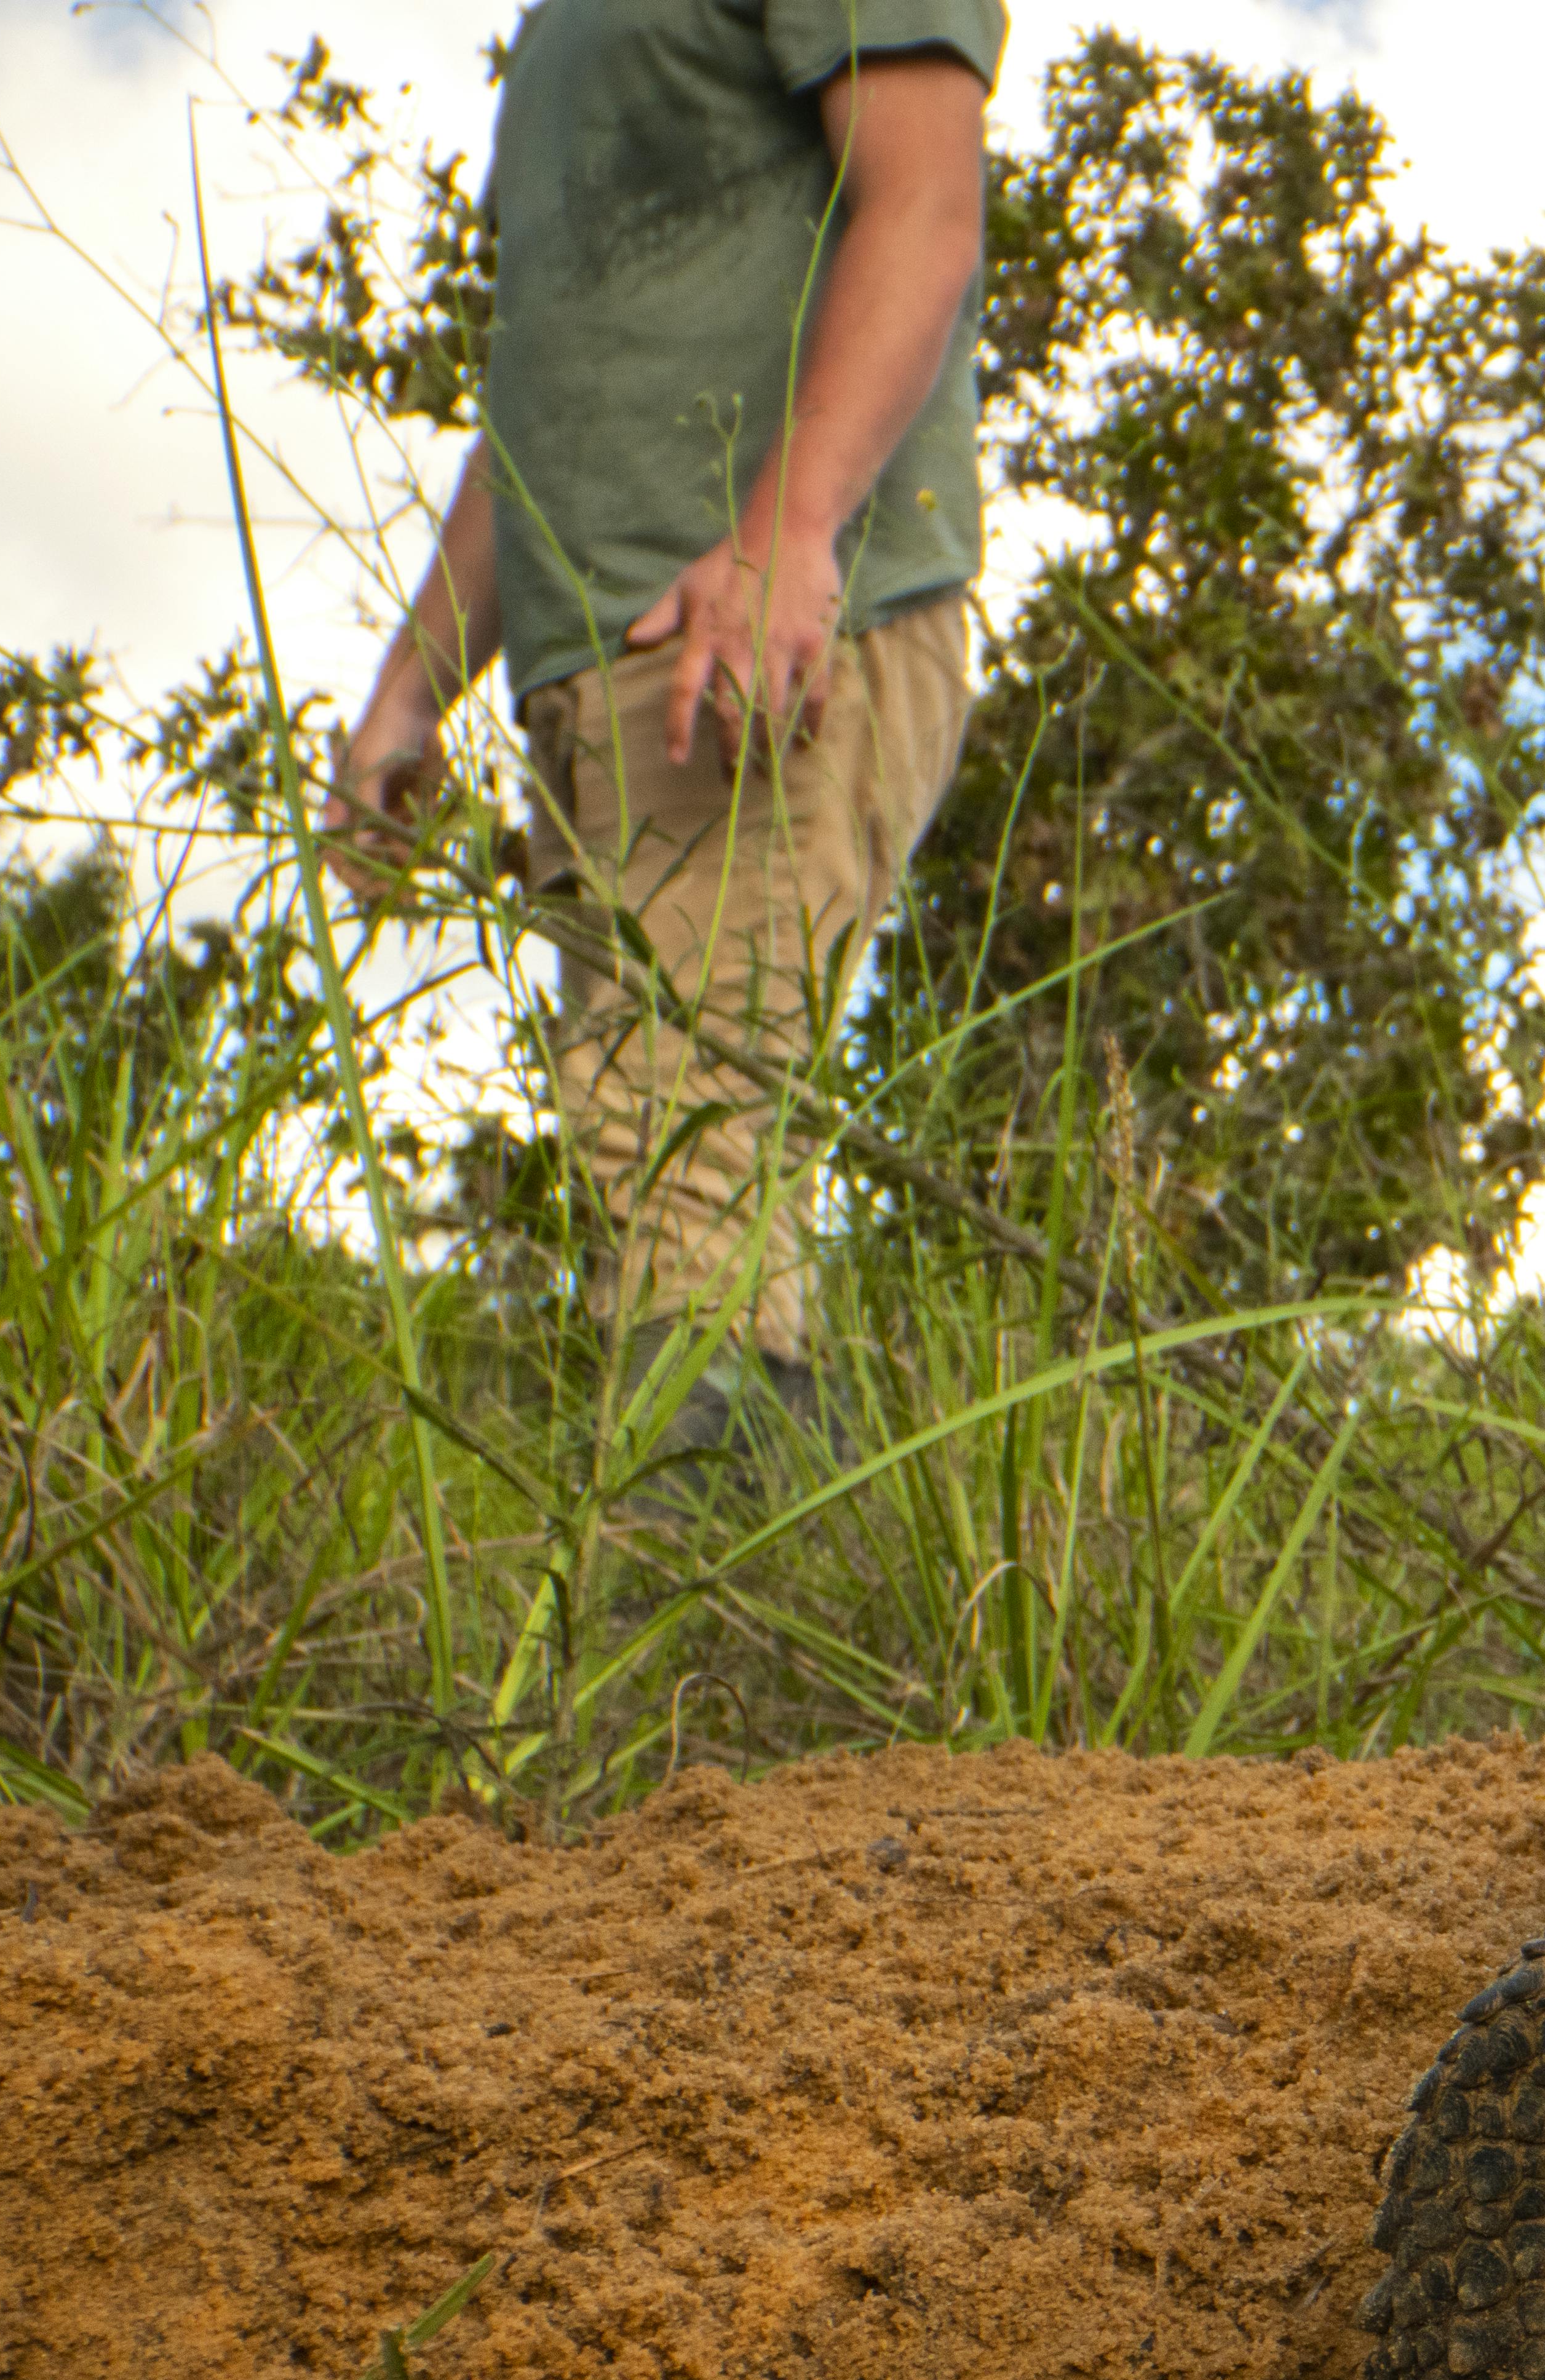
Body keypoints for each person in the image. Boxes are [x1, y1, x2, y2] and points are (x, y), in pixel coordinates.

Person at [323, 0, 999, 1459]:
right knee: (645, 1148)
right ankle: (737, 1629)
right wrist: (412, 686)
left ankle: (707, 1643)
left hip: (745, 631)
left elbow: (927, 201)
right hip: (594, 657)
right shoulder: (564, 31)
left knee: (686, 1145)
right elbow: (548, 390)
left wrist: (784, 532)